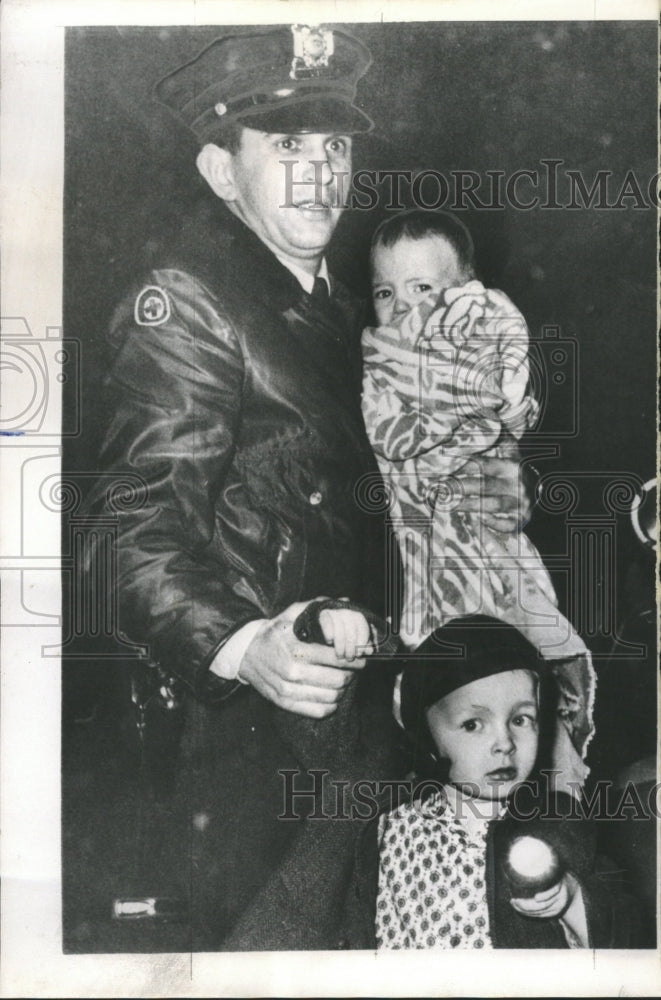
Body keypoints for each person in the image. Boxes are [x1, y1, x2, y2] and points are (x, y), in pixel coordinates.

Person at [83, 26, 530, 950]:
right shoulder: (192, 300)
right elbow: (129, 528)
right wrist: (245, 647)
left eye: (334, 145)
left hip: (372, 743)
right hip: (255, 755)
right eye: (284, 144)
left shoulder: (341, 311)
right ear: (219, 172)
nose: (319, 171)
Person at [361, 209, 595, 786]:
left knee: (518, 718)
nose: (402, 306)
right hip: (412, 576)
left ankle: (552, 792)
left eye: (422, 288)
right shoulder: (373, 364)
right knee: (444, 737)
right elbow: (384, 433)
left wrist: (507, 455)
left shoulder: (480, 329)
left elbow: (510, 395)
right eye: (385, 291)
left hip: (490, 560)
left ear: (462, 292)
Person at [340, 615, 644, 949]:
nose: (505, 742)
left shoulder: (558, 824)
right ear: (425, 738)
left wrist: (571, 899)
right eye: (473, 724)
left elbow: (629, 940)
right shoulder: (389, 830)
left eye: (520, 719)